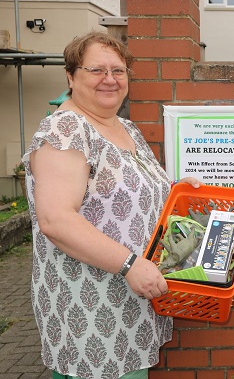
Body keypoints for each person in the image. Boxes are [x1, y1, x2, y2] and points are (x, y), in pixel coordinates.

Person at [22, 31, 200, 379]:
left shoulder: (126, 128)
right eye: (96, 70)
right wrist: (131, 266)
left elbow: (123, 193)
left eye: (118, 71)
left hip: (130, 305)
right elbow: (56, 219)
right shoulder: (67, 130)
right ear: (71, 77)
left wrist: (175, 190)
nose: (110, 80)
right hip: (89, 310)